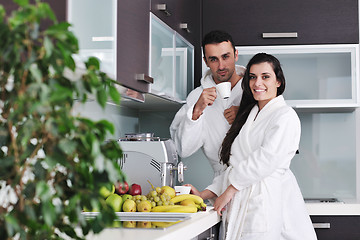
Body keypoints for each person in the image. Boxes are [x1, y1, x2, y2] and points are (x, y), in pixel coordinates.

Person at [187, 53, 317, 240]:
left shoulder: (285, 116)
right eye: (253, 77)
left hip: (263, 202)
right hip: (244, 201)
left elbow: (266, 159)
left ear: (278, 81)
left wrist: (230, 191)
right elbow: (237, 166)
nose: (257, 83)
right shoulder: (251, 115)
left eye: (265, 77)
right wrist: (202, 194)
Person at [170, 30, 246, 179]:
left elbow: (276, 127)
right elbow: (183, 149)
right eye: (213, 59)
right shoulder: (197, 97)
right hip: (222, 182)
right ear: (206, 62)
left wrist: (245, 114)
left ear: (236, 55)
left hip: (257, 178)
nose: (221, 66)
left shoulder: (255, 89)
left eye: (226, 56)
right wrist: (196, 111)